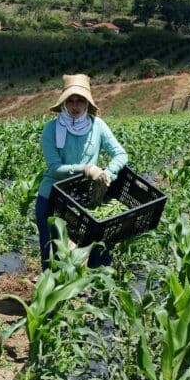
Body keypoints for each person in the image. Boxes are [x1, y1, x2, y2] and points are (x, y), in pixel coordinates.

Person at [35, 73, 128, 270]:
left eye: (80, 100)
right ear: (64, 103)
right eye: (71, 100)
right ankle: (52, 294)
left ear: (87, 103)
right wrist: (86, 169)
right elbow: (55, 168)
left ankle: (93, 287)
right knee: (52, 254)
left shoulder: (98, 126)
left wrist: (107, 175)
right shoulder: (51, 129)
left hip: (83, 199)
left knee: (101, 243)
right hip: (52, 197)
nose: (75, 105)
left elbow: (120, 154)